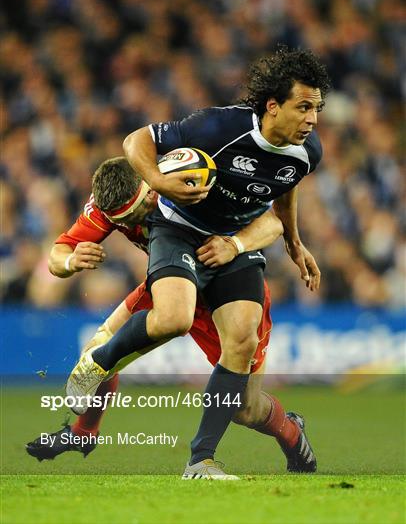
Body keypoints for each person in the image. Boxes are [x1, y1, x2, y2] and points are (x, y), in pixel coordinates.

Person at [66, 47, 329, 479]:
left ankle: (201, 460)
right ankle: (96, 366)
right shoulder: (217, 126)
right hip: (179, 227)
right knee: (172, 317)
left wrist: (294, 242)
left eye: (316, 108)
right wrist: (159, 181)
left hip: (232, 245)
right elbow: (136, 141)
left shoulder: (307, 152)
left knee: (242, 352)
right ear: (272, 106)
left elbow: (286, 184)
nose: (313, 119)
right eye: (303, 107)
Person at [27, 156, 305, 474]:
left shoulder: (193, 176)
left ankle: (292, 432)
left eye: (141, 213)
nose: (140, 224)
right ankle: (84, 433)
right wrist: (71, 261)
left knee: (245, 409)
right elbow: (57, 254)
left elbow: (272, 221)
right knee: (98, 351)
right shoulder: (108, 206)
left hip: (228, 285)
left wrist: (235, 242)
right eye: (127, 221)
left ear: (149, 187)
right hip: (172, 279)